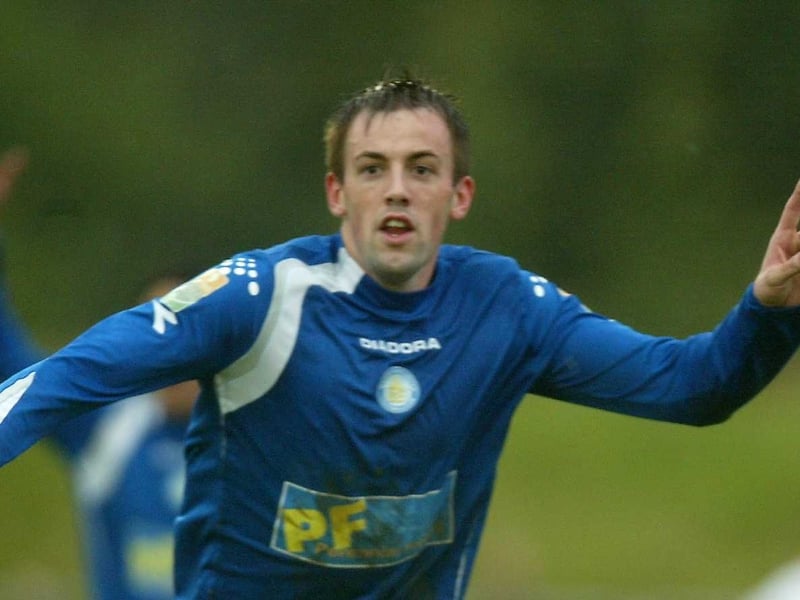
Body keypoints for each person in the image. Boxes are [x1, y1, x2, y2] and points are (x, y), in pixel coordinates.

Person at [1, 76, 800, 600]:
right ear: (335, 192)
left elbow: (695, 387)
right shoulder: (257, 297)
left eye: (422, 169)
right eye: (373, 167)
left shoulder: (508, 309)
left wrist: (771, 305)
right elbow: (62, 381)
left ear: (460, 196)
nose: (395, 190)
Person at [0, 148, 198, 600]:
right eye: (151, 331)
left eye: (184, 332)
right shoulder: (107, 428)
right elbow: (8, 356)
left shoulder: (262, 429)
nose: (167, 354)